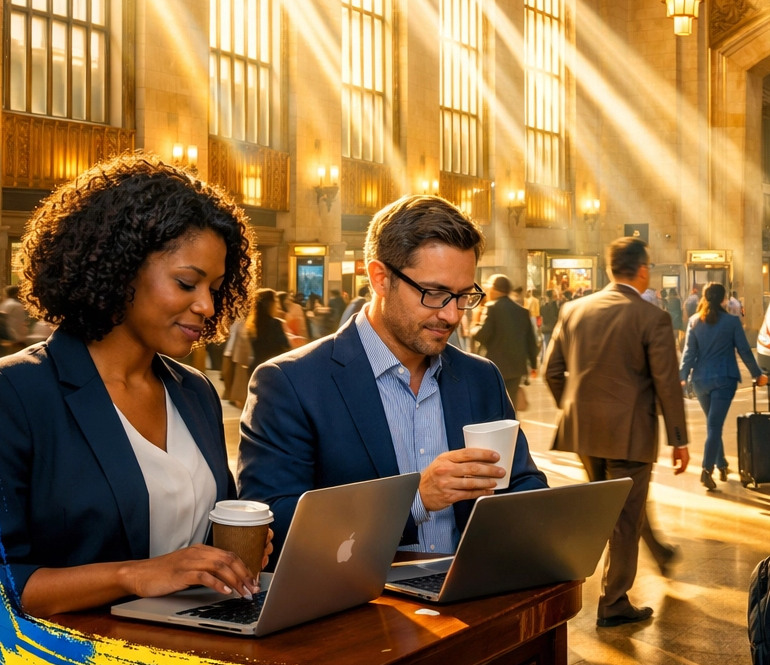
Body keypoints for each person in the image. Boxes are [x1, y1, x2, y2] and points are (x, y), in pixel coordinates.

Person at [0, 155, 267, 618]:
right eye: (187, 283)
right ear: (119, 265)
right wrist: (133, 574)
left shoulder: (194, 392)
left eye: (216, 286)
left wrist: (230, 554)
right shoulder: (7, 394)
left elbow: (200, 540)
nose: (208, 306)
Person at [237, 196, 547, 562]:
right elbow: (271, 523)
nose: (451, 315)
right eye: (434, 294)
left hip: (470, 599)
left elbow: (524, 482)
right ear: (380, 278)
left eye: (464, 296)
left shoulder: (481, 377)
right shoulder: (291, 382)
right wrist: (415, 500)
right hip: (358, 604)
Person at [544, 237, 689, 627]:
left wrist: (577, 409)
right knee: (624, 517)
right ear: (642, 270)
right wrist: (679, 439)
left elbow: (552, 372)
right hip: (630, 433)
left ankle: (658, 552)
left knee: (618, 507)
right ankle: (614, 602)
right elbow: (666, 384)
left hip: (584, 432)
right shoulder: (652, 317)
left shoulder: (573, 310)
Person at [680, 283, 766, 490]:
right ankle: (706, 470)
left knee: (712, 424)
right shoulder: (731, 322)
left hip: (700, 381)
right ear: (723, 300)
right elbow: (744, 350)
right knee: (714, 426)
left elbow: (688, 353)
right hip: (724, 380)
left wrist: (682, 377)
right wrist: (757, 374)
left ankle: (722, 464)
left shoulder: (694, 321)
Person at [470, 275, 539, 413]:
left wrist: (474, 328)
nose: (488, 292)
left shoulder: (491, 308)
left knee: (493, 404)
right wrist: (534, 365)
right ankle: (510, 429)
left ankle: (497, 429)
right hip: (515, 368)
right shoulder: (522, 311)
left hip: (493, 367)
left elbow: (483, 335)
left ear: (495, 290)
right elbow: (531, 341)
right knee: (510, 404)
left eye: (489, 289)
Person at [538, 288, 561, 366]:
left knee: (546, 345)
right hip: (553, 327)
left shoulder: (544, 305)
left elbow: (542, 314)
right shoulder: (554, 304)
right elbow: (556, 315)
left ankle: (544, 360)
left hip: (546, 328)